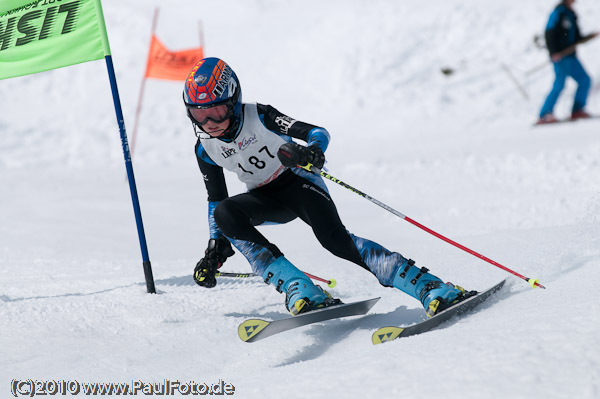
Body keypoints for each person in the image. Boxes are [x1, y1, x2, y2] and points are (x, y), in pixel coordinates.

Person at [184, 57, 476, 317]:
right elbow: (215, 200)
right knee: (225, 213)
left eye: (217, 111)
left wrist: (312, 152)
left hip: (298, 182)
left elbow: (316, 132)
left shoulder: (259, 116)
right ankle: (299, 288)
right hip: (264, 198)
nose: (209, 122)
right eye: (199, 114)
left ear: (234, 102)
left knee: (335, 240)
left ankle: (431, 287)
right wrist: (216, 245)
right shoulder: (204, 148)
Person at [537, 0, 598, 124]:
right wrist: (553, 52)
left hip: (570, 55)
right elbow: (549, 32)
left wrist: (590, 37)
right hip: (560, 56)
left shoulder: (571, 14)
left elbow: (576, 38)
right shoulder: (558, 12)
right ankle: (545, 114)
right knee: (560, 83)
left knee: (584, 80)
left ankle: (577, 110)